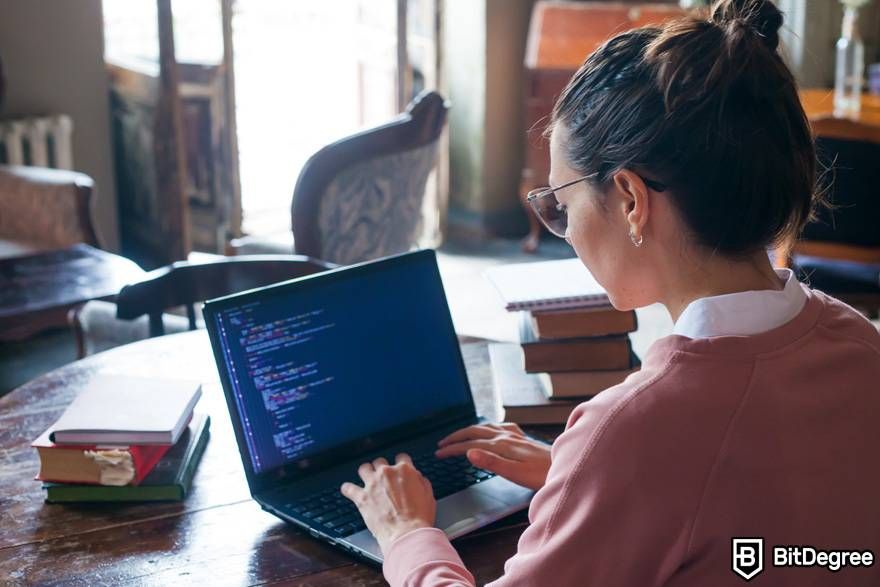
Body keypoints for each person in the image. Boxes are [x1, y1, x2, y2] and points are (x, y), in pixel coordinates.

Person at [340, 0, 880, 584]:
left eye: (562, 205)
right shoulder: (856, 343)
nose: (565, 232)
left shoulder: (634, 430)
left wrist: (407, 535)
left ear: (630, 200)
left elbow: (682, 461)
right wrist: (576, 478)